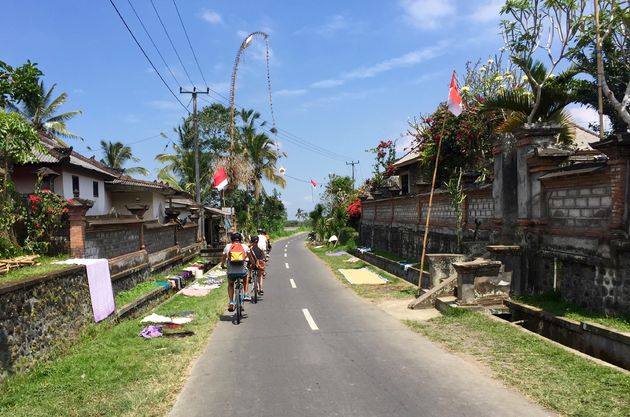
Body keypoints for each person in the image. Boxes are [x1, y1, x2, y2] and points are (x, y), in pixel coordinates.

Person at [221, 232, 253, 312]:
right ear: (241, 240)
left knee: (231, 284)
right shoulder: (245, 246)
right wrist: (253, 263)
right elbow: (250, 257)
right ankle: (245, 294)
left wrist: (222, 265)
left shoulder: (228, 247)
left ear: (231, 239)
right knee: (246, 276)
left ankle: (231, 302)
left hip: (231, 272)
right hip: (242, 271)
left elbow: (223, 258)